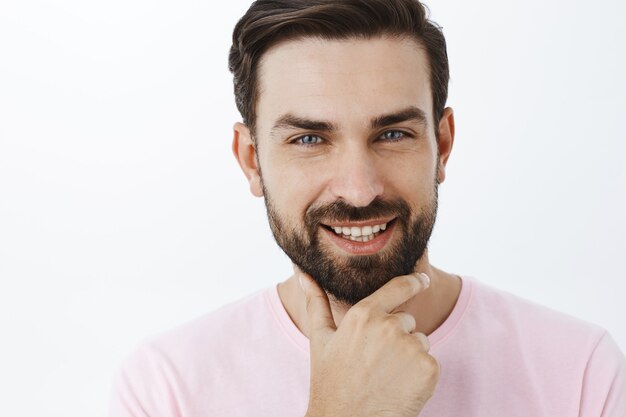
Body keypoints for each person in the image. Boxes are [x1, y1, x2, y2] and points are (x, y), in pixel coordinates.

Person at [108, 0, 626, 415]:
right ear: (252, 161)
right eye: (309, 139)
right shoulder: (164, 388)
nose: (358, 191)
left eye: (393, 133)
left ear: (442, 145)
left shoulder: (582, 372)